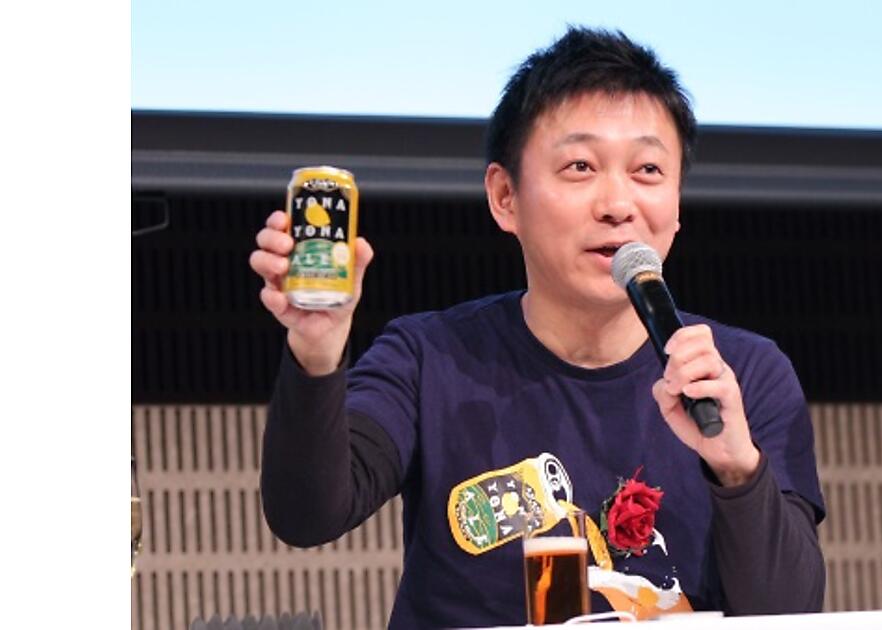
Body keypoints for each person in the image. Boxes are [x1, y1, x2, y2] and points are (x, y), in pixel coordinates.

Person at [249, 27, 826, 629]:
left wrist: (737, 467)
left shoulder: (741, 374)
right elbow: (306, 515)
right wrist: (316, 353)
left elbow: (790, 614)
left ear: (676, 204)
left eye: (648, 170)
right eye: (580, 166)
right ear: (505, 196)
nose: (618, 204)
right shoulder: (428, 357)